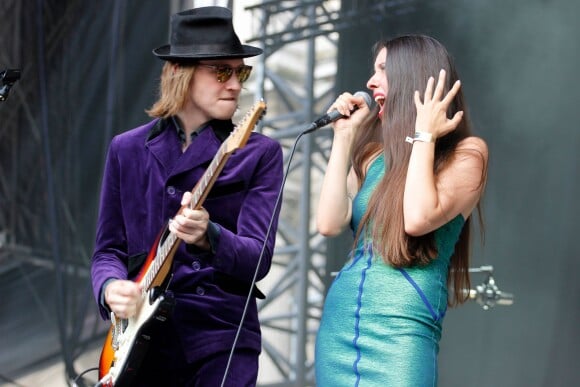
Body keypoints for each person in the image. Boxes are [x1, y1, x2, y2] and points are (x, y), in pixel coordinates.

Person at [90, 6, 283, 386]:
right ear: (180, 72)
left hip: (220, 336)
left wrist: (210, 236)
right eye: (221, 72)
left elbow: (258, 258)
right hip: (142, 342)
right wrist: (112, 288)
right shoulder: (126, 149)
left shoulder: (259, 153)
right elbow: (107, 250)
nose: (235, 85)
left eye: (240, 72)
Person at [314, 34, 488, 386]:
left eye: (383, 69)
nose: (370, 81)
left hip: (401, 329)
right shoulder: (373, 157)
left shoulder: (467, 153)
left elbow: (418, 217)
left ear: (411, 76)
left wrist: (424, 135)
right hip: (341, 323)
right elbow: (329, 223)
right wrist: (344, 137)